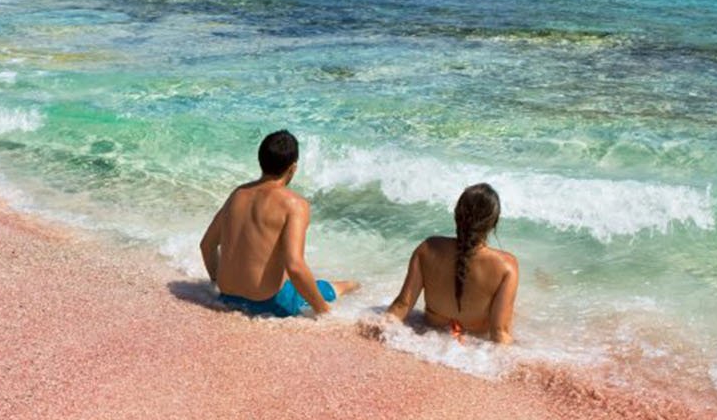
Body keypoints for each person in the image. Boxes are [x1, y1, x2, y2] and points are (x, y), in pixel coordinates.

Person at [199, 129, 359, 316]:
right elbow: (295, 266)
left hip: (227, 297)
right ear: (292, 168)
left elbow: (207, 245)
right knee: (343, 286)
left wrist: (216, 282)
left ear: (260, 160)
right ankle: (356, 286)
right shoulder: (294, 204)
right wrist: (323, 311)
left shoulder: (238, 194)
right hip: (269, 303)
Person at [385, 183, 518, 343]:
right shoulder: (506, 267)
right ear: (494, 223)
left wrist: (380, 331)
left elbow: (402, 305)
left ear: (456, 214)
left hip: (428, 339)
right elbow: (499, 332)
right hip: (472, 349)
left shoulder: (428, 248)